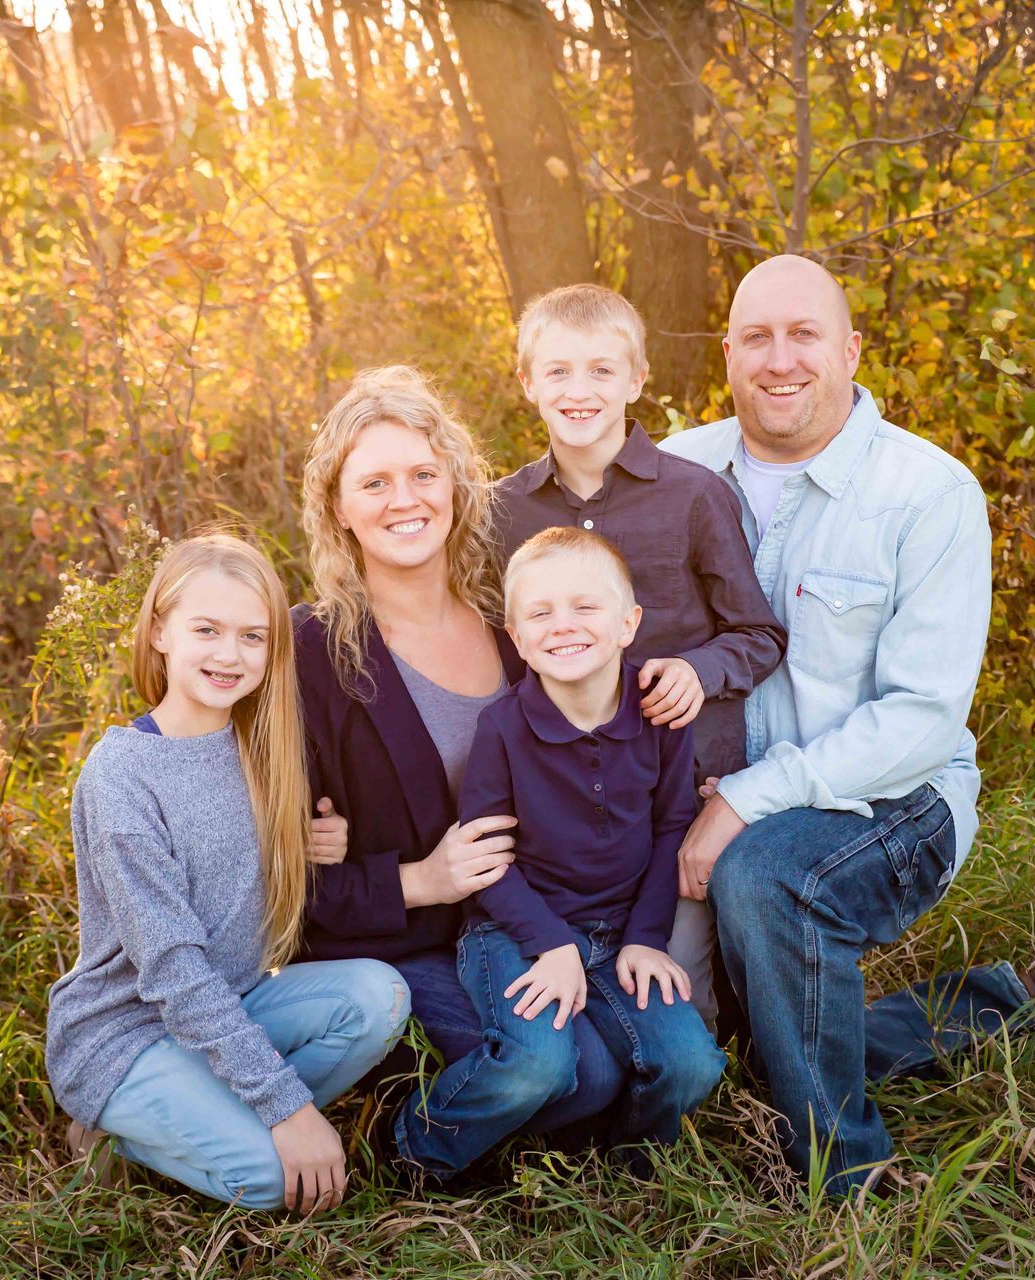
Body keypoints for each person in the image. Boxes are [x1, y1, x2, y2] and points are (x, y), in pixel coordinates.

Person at [659, 255, 1032, 1196]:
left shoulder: (927, 494)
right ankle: (986, 1005)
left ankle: (843, 1171)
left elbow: (917, 719)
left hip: (895, 802)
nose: (779, 361)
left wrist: (747, 801)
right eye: (755, 338)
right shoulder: (674, 472)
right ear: (728, 354)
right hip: (720, 800)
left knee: (764, 878)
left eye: (804, 335)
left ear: (851, 350)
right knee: (756, 1042)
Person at [292, 366, 626, 1143]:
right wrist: (420, 880)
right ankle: (391, 1146)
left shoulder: (512, 627)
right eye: (374, 482)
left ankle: (472, 1139)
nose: (404, 499)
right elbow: (279, 873)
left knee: (606, 1075)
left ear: (455, 487)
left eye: (422, 474)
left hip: (519, 930)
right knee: (550, 1073)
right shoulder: (313, 650)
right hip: (397, 947)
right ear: (339, 508)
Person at [46, 533, 409, 1213]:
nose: (228, 654)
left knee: (378, 997)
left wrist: (314, 841)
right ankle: (111, 1127)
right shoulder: (122, 775)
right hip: (128, 1033)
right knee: (277, 1180)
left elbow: (237, 852)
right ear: (159, 631)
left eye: (252, 636)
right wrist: (290, 1111)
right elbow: (172, 968)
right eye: (206, 630)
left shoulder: (257, 747)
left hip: (235, 1004)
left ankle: (222, 1111)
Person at [492, 284, 786, 1031]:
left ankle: (700, 1129)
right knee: (570, 1009)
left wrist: (699, 670)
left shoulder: (692, 497)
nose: (579, 390)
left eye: (600, 370)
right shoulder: (501, 512)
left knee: (680, 1008)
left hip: (677, 803)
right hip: (554, 812)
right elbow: (499, 651)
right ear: (527, 383)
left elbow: (759, 635)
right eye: (556, 372)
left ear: (636, 378)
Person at [396, 528, 725, 1180]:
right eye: (540, 613)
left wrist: (646, 939)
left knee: (693, 1064)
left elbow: (670, 830)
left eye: (585, 607)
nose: (563, 626)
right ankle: (417, 1150)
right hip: (516, 933)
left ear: (628, 623)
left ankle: (626, 1165)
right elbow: (488, 860)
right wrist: (552, 944)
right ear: (517, 639)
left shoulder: (659, 716)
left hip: (620, 932)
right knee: (540, 1067)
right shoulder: (504, 727)